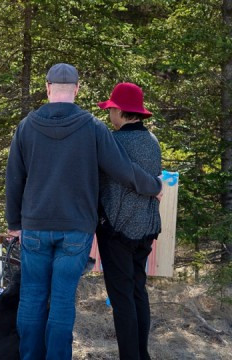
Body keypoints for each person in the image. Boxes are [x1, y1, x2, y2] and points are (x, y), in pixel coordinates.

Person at [5, 63, 162, 360]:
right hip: (76, 230)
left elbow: (14, 178)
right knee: (63, 301)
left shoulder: (26, 126)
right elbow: (124, 170)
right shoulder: (92, 127)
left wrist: (15, 223)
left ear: (48, 87)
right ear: (77, 89)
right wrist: (153, 185)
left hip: (35, 226)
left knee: (32, 297)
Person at [96, 82, 161, 360]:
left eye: (111, 109)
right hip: (146, 229)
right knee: (137, 292)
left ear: (121, 112)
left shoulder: (112, 142)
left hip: (117, 230)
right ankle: (141, 355)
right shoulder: (153, 141)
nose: (109, 114)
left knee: (122, 299)